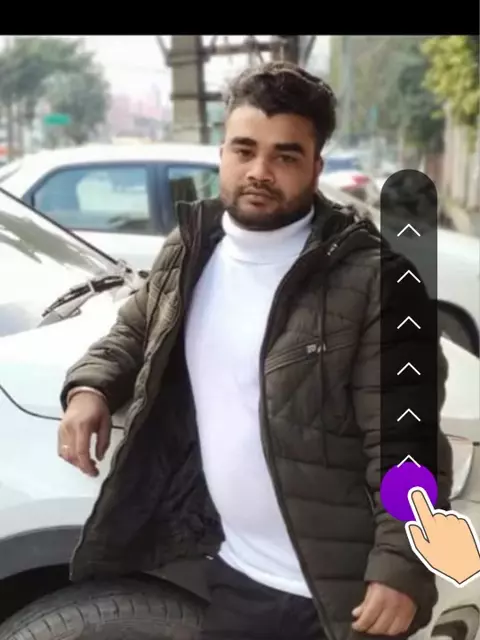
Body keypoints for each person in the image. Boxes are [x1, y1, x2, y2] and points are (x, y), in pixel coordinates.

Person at [58, 62, 452, 640]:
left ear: (316, 168)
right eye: (244, 150)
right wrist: (90, 387)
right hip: (238, 575)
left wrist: (403, 562)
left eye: (285, 156)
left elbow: (406, 439)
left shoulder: (375, 281)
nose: (259, 172)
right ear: (222, 153)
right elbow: (136, 329)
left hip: (339, 598)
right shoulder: (192, 248)